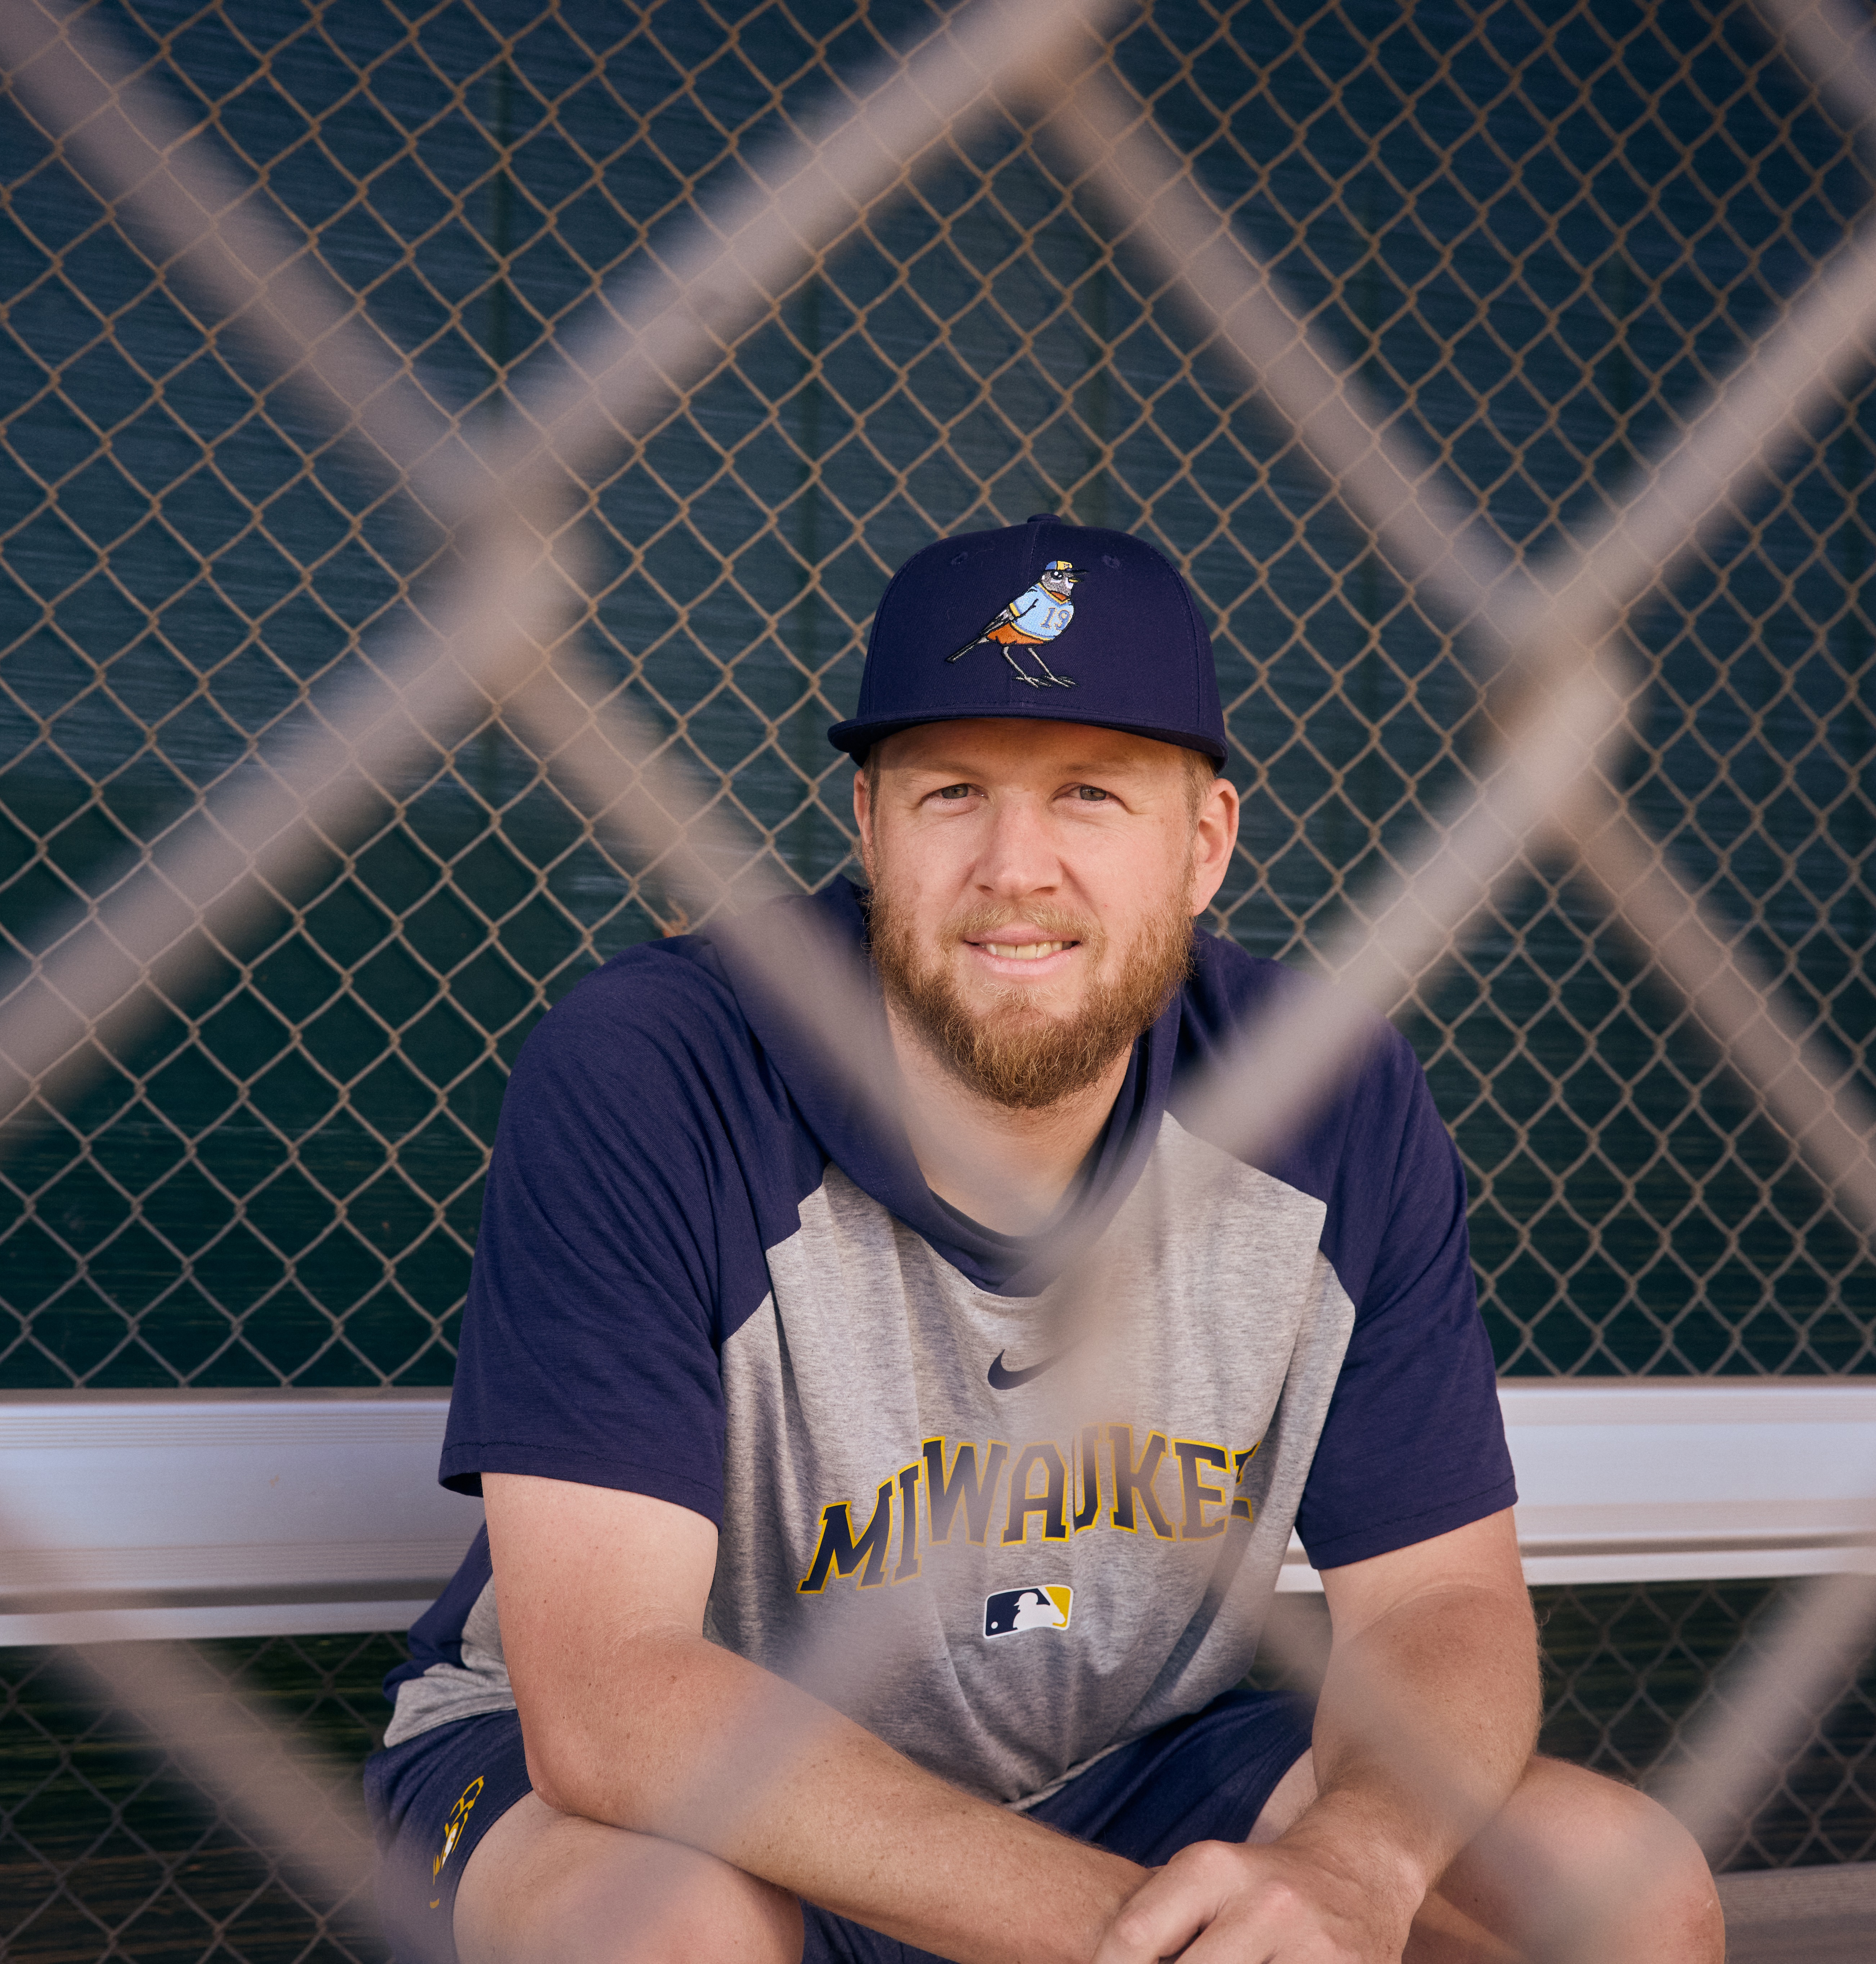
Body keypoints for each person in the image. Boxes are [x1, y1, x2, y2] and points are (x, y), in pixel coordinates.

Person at [363, 515, 1725, 1963]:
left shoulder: (1326, 1093)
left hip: (1125, 1766)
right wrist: (1159, 1942)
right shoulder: (656, 1065)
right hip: (674, 1801)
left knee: (1620, 1884)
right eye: (951, 792)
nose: (1015, 865)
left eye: (1087, 793)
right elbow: (615, 1700)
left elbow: (1438, 1603)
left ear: (1202, 845)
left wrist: (1347, 1868)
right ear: (872, 828)